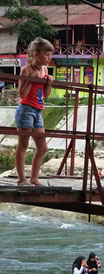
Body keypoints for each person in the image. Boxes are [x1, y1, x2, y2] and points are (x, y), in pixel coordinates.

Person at [15, 37, 54, 186]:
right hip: (26, 109)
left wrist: (48, 81)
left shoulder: (44, 70)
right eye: (47, 54)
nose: (49, 58)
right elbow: (22, 94)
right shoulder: (26, 70)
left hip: (38, 110)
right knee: (23, 144)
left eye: (50, 54)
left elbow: (46, 94)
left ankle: (34, 178)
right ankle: (21, 179)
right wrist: (31, 79)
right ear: (36, 54)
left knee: (42, 147)